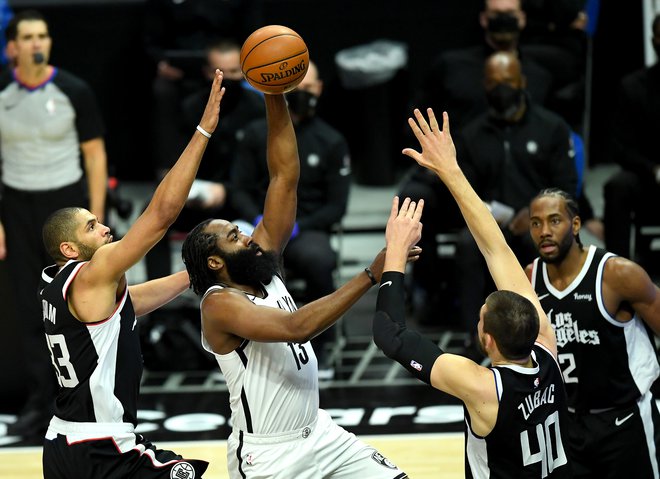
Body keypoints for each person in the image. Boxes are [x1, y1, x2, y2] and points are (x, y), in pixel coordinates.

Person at [181, 92, 409, 479]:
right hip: (269, 454)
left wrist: (274, 96)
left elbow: (284, 176)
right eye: (235, 237)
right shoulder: (217, 305)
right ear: (215, 262)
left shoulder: (260, 265)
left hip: (320, 433)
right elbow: (296, 328)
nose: (248, 237)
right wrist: (370, 275)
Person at [37, 68, 225, 479]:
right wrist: (204, 132)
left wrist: (195, 275)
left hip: (62, 444)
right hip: (102, 446)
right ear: (69, 249)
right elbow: (161, 216)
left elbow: (130, 304)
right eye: (91, 226)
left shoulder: (56, 285)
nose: (104, 228)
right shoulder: (92, 270)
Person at [373, 108, 572, 478]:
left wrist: (395, 254)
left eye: (481, 316)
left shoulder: (482, 387)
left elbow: (389, 334)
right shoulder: (547, 347)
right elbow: (496, 247)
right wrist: (450, 169)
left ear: (488, 340)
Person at [0, 9, 108, 437]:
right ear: (12, 47)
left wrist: (94, 221)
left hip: (66, 205)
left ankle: (86, 397)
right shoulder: (3, 91)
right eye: (27, 37)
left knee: (77, 301)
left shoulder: (73, 90)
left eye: (42, 35)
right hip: (18, 206)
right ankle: (38, 401)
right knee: (30, 304)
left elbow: (95, 156)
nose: (37, 43)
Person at [527, 187, 660, 478]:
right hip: (567, 424)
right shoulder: (529, 279)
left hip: (625, 422)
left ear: (575, 225)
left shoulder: (617, 274)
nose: (544, 231)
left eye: (554, 220)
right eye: (536, 223)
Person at [231, 61, 351, 374]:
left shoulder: (332, 140)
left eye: (308, 88)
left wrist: (298, 226)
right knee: (242, 259)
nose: (303, 95)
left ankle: (319, 348)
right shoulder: (256, 135)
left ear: (320, 89)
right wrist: (259, 219)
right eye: (296, 89)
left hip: (306, 227)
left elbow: (337, 206)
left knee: (319, 259)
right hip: (259, 226)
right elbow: (238, 188)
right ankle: (248, 349)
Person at [454, 51, 579, 346]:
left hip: (536, 220)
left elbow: (566, 185)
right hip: (489, 221)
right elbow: (464, 190)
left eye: (508, 81)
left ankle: (544, 327)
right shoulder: (472, 134)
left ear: (522, 81)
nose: (502, 89)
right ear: (484, 85)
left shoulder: (552, 127)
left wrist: (534, 216)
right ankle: (474, 336)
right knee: (466, 246)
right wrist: (485, 216)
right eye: (494, 82)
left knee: (540, 239)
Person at [145, 38, 265, 281]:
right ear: (208, 73)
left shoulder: (257, 109)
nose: (230, 78)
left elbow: (264, 171)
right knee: (153, 211)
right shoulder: (191, 108)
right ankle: (162, 310)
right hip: (201, 196)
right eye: (223, 72)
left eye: (235, 71)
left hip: (242, 198)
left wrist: (228, 190)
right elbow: (179, 160)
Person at [144, 0, 263, 173]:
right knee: (163, 90)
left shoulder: (256, 105)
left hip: (228, 57)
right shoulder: (190, 107)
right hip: (181, 71)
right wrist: (161, 62)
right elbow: (152, 39)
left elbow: (252, 31)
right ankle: (170, 170)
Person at [604, 13, 660, 271]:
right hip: (648, 177)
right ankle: (619, 271)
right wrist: (652, 169)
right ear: (654, 40)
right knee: (618, 186)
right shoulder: (632, 86)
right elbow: (620, 146)